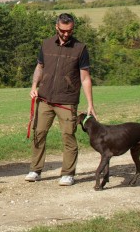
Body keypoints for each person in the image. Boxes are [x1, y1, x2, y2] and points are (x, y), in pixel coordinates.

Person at [25, 13, 97, 186]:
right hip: (44, 98)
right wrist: (34, 86)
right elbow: (40, 67)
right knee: (39, 134)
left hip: (67, 100)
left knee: (68, 135)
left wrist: (90, 104)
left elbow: (85, 78)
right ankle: (35, 170)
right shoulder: (46, 44)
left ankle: (68, 173)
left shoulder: (80, 48)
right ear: (56, 27)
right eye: (63, 30)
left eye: (70, 30)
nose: (66, 34)